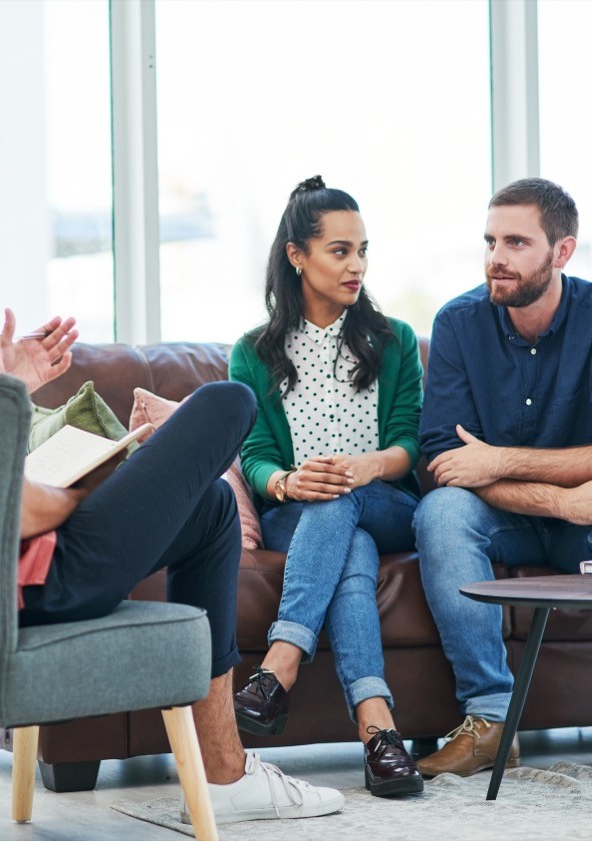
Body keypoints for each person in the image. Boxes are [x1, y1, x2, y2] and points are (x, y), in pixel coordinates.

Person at [0, 86, 344, 825]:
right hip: (10, 595)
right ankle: (227, 777)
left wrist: (3, 382)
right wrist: (102, 479)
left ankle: (225, 772)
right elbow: (1, 508)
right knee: (227, 404)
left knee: (206, 507)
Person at [413, 177, 592, 779]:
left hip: (587, 512)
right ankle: (490, 720)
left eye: (517, 243)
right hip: (503, 516)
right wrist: (563, 500)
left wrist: (500, 459)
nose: (496, 258)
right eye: (490, 240)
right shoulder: (457, 323)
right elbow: (445, 462)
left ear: (562, 251)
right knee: (441, 512)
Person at [229, 176, 424, 797]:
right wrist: (286, 480)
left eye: (363, 250)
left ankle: (279, 665)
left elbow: (411, 445)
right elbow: (255, 455)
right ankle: (379, 732)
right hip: (301, 512)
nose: (357, 265)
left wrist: (367, 466)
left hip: (386, 499)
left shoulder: (394, 340)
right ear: (297, 256)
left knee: (342, 500)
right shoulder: (254, 352)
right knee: (352, 553)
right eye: (340, 251)